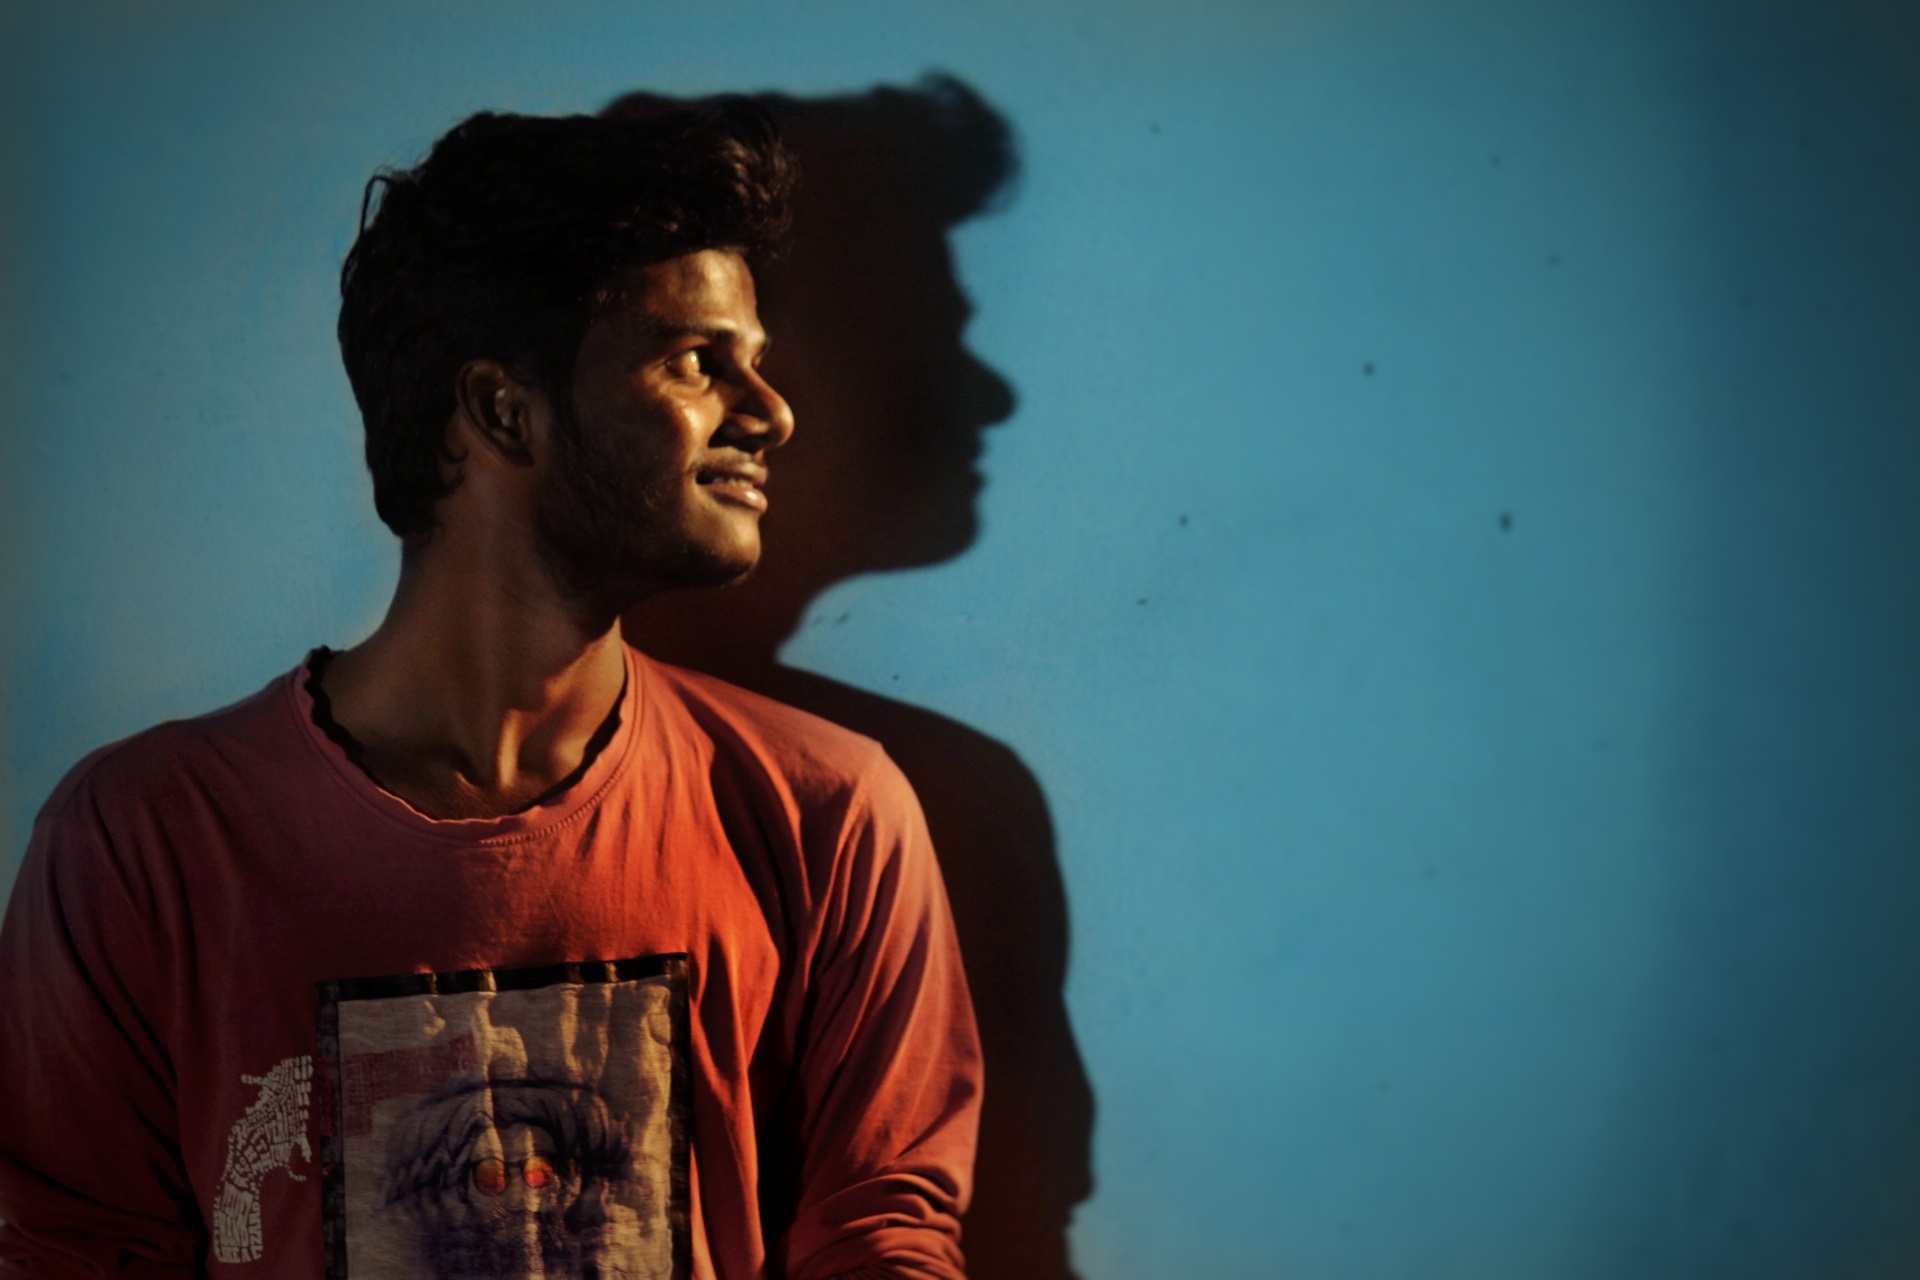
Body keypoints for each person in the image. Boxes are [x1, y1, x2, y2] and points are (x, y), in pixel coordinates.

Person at [0, 101, 981, 1280]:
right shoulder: (145, 839)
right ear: (504, 410)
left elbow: (883, 1234)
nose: (771, 412)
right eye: (694, 360)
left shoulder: (825, 811)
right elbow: (75, 1245)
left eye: (755, 363)